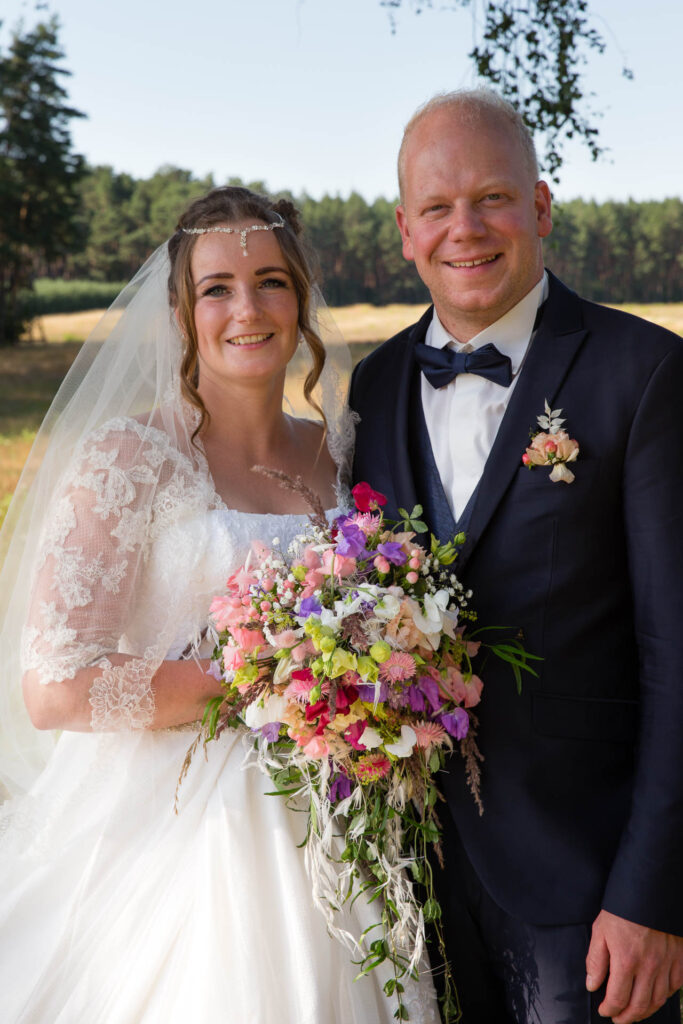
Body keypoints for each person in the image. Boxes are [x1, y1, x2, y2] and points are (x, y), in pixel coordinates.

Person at [0, 186, 440, 1024]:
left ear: (300, 299)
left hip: (337, 815)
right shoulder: (128, 457)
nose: (248, 308)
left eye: (271, 281)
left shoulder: (344, 454)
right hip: (167, 828)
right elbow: (53, 687)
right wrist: (269, 678)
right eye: (217, 288)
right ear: (180, 312)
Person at [350, 89, 683, 1024]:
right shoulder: (373, 384)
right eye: (437, 207)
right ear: (405, 231)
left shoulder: (644, 372)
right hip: (409, 881)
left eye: (491, 198)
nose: (465, 228)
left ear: (538, 206)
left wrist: (654, 894)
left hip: (588, 889)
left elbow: (676, 651)